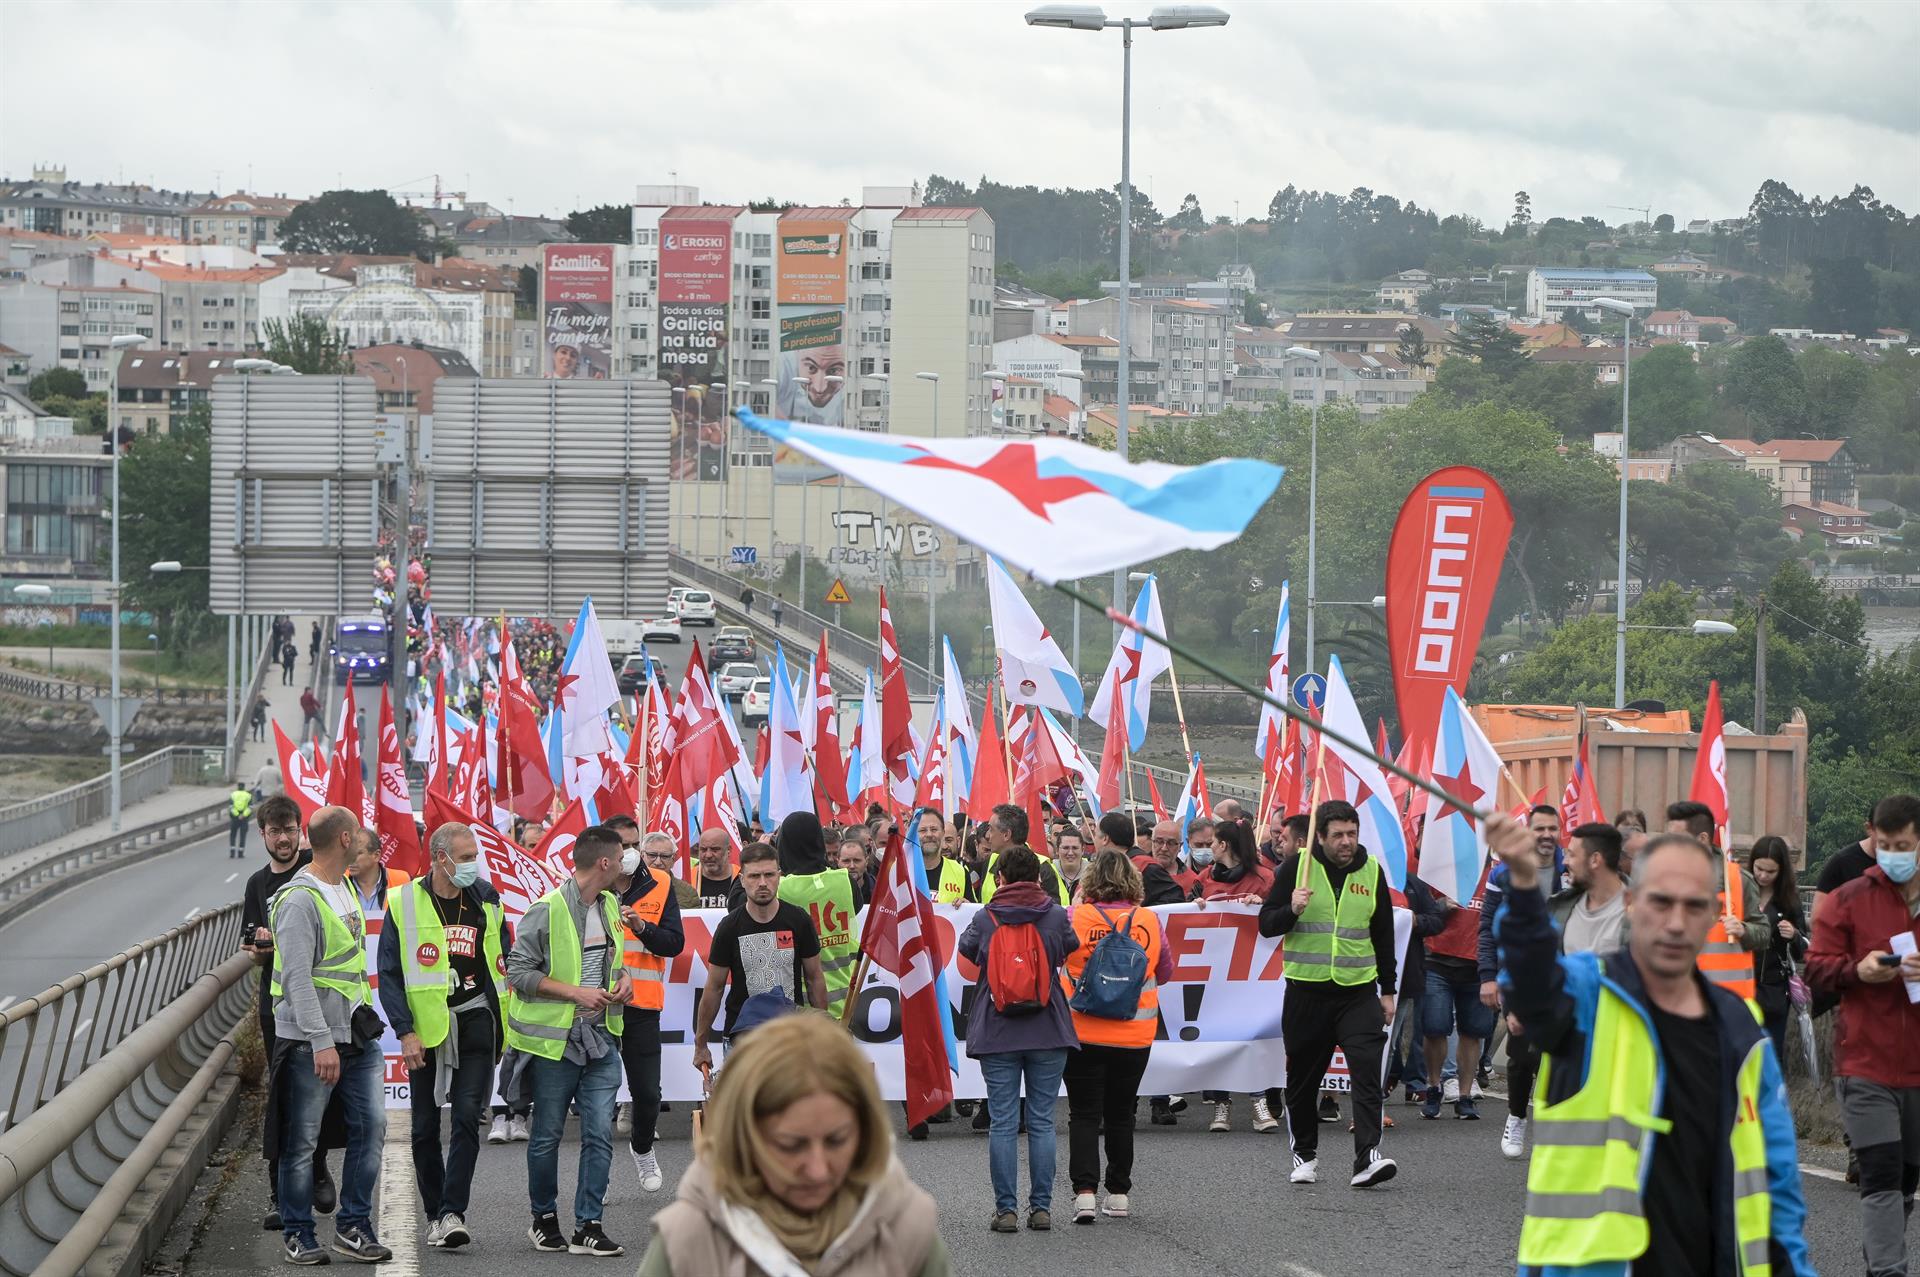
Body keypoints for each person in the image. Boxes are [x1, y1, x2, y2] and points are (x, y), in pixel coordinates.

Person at [1494, 819, 1814, 1277]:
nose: (1677, 923)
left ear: (1711, 916)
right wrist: (1524, 889)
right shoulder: (1589, 992)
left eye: (1694, 906)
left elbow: (1777, 1184)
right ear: (1629, 903)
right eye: (1661, 902)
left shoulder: (1742, 1032)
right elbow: (1531, 986)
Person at [637, 1013, 949, 1277]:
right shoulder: (687, 1243)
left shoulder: (908, 1231)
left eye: (836, 1140)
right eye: (790, 1145)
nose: (817, 1170)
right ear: (745, 1139)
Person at [377, 821, 511, 1251]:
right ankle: (434, 1214)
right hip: (428, 1029)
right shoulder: (403, 903)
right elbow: (391, 975)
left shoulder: (487, 900)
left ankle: (453, 1211)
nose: (474, 864)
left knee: (468, 1116)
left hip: (477, 1022)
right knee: (424, 1127)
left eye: (475, 855)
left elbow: (505, 959)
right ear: (440, 858)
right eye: (466, 857)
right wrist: (405, 1031)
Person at [269, 805, 392, 1264]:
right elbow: (297, 979)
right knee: (302, 1140)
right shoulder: (301, 899)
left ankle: (354, 1225)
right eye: (357, 833)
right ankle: (298, 1232)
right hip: (310, 1040)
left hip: (357, 1034)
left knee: (372, 1127)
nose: (363, 839)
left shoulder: (342, 888)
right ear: (344, 840)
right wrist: (321, 1040)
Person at [504, 824, 632, 1257]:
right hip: (556, 1042)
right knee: (547, 1135)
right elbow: (517, 974)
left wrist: (624, 980)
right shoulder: (547, 908)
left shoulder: (611, 903)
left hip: (600, 1037)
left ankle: (588, 1226)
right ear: (604, 862)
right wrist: (575, 992)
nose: (626, 861)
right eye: (622, 854)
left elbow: (615, 958)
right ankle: (543, 1219)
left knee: (599, 1132)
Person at [1259, 799, 1399, 1188]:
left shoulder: (1371, 872)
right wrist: (1291, 909)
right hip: (1307, 993)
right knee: (1303, 1082)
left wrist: (1388, 990)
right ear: (1319, 837)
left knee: (1367, 1071)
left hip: (1357, 993)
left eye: (1351, 834)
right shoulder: (1295, 870)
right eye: (1337, 835)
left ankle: (1367, 1157)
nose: (1346, 842)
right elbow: (1266, 925)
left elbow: (1383, 934)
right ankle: (1305, 1154)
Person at [1807, 793, 1920, 1277]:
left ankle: (1885, 1248)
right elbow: (1814, 970)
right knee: (1880, 1175)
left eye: (1905, 845)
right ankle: (1887, 1271)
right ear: (1873, 835)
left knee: (1905, 1181)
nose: (1895, 853)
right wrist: (1859, 970)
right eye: (1886, 843)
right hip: (1864, 1063)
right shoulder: (1850, 897)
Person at [957, 845, 1079, 1233]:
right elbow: (1069, 948)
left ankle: (1006, 1211)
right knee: (1042, 1122)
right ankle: (1041, 1209)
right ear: (1040, 878)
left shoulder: (986, 916)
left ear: (1000, 878)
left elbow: (967, 949)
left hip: (998, 1029)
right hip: (1048, 1028)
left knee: (1004, 1123)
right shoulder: (1055, 914)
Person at [241, 796, 339, 1232]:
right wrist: (261, 948)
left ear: (301, 830)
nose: (283, 839)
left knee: (317, 1095)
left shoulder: (315, 873)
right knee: (282, 1099)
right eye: (274, 831)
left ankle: (317, 1166)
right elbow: (256, 958)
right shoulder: (256, 885)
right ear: (262, 835)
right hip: (278, 1007)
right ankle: (280, 1193)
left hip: (320, 1003)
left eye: (290, 830)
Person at [1059, 850, 1173, 1221]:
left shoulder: (1075, 917)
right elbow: (1166, 971)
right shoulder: (1148, 921)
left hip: (1083, 1031)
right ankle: (1119, 1194)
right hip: (1135, 1034)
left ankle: (1085, 1194)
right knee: (1121, 1114)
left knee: (1084, 1114)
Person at [1480, 805, 1568, 1157]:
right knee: (1523, 1054)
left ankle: (1555, 1125)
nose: (1547, 835)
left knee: (1562, 1054)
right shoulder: (1504, 873)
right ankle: (1516, 1116)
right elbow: (1487, 926)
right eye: (1540, 829)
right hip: (1519, 974)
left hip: (1567, 974)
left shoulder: (1572, 869)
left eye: (1553, 828)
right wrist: (1488, 976)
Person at [694, 842, 828, 1073]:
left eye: (769, 874)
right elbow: (714, 988)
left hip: (791, 1035)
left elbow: (815, 978)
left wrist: (823, 1030)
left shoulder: (799, 920)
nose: (763, 883)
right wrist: (700, 1044)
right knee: (745, 1109)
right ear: (742, 879)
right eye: (755, 876)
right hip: (743, 1038)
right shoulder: (729, 927)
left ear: (779, 876)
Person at [613, 819, 686, 1194]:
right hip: (596, 1007)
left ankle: (642, 1149)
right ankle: (597, 1175)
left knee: (648, 1094)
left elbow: (674, 943)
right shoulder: (587, 885)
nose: (627, 851)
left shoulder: (660, 883)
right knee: (598, 1098)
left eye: (632, 844)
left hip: (642, 1006)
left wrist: (643, 927)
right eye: (620, 844)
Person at [1195, 818, 1280, 1133]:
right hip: (1212, 971)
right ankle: (1221, 1105)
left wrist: (1262, 905)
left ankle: (1258, 1102)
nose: (1209, 847)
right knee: (1217, 1036)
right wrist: (1195, 907)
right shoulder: (1205, 877)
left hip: (1250, 973)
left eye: (1213, 841)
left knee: (1251, 1037)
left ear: (1224, 844)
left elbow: (1278, 916)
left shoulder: (1265, 879)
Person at [1665, 800, 1769, 1000]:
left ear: (1702, 838)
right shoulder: (1663, 880)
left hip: (1729, 1005)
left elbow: (1764, 933)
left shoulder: (1738, 881)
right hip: (1677, 1002)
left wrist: (1744, 930)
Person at [1418, 860, 1493, 1121]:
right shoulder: (1441, 868)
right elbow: (1421, 911)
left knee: (1472, 1032)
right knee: (1435, 1028)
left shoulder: (1496, 873)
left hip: (1477, 965)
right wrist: (1441, 906)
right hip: (1438, 961)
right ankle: (1434, 1086)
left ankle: (1464, 1096)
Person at [776, 811, 862, 1017]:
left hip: (803, 1005)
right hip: (846, 1001)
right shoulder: (845, 881)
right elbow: (856, 908)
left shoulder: (780, 889)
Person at [1747, 834, 1808, 1061]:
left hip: (1773, 991)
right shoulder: (1741, 893)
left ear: (1781, 871)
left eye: (1770, 872)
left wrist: (1793, 936)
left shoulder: (1789, 901)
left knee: (1769, 1058)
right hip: (1741, 987)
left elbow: (1804, 949)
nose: (1762, 876)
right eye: (1758, 868)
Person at [1554, 822, 1630, 959]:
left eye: (1571, 855)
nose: (1564, 862)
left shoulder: (1639, 914)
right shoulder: (1558, 906)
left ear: (1595, 860)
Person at [978, 804, 1069, 906]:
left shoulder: (1042, 868)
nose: (987, 835)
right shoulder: (990, 862)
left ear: (1006, 835)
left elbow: (1053, 913)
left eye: (991, 829)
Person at [345, 828, 409, 921]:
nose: (350, 859)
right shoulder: (339, 882)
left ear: (376, 855)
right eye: (348, 853)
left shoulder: (402, 881)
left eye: (358, 853)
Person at [637, 829, 701, 910]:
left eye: (664, 856)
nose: (658, 862)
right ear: (642, 856)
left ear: (673, 859)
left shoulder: (688, 893)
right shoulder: (629, 887)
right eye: (652, 855)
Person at [1135, 819, 1200, 899]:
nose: (1164, 848)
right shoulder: (1135, 871)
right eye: (1159, 841)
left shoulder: (1192, 881)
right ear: (1152, 842)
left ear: (1180, 846)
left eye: (1171, 843)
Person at [915, 806, 967, 903]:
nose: (929, 834)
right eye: (922, 830)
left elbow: (973, 912)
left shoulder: (960, 871)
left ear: (943, 833)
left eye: (934, 829)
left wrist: (967, 905)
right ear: (913, 834)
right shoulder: (902, 871)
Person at [693, 826, 741, 908]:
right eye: (703, 850)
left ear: (728, 850)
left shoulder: (742, 878)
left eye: (715, 849)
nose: (708, 855)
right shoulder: (688, 878)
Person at [1054, 826, 1087, 900]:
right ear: (1057, 850)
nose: (1070, 853)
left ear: (1082, 850)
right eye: (1066, 848)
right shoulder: (1047, 871)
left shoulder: (1093, 874)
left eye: (1075, 848)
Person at [229, 781, 256, 858]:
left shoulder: (233, 795)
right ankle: (240, 853)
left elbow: (231, 807)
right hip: (244, 819)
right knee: (242, 835)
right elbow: (250, 808)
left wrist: (237, 815)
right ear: (244, 787)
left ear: (238, 787)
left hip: (234, 818)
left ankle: (232, 852)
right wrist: (243, 815)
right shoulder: (248, 795)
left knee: (233, 835)